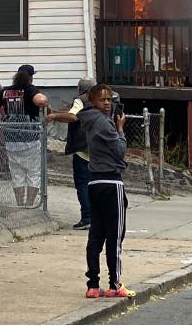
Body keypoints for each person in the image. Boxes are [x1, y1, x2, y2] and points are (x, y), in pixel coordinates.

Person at [79, 84, 130, 299]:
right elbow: (120, 151)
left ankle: (92, 285)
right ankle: (115, 284)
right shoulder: (105, 124)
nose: (107, 103)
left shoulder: (89, 121)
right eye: (102, 100)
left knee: (95, 235)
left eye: (109, 99)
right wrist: (120, 129)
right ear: (93, 101)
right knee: (115, 236)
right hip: (112, 181)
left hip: (94, 182)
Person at [0, 64, 50, 207]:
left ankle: (20, 204)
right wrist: (45, 101)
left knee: (17, 172)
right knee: (33, 172)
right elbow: (41, 101)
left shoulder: (6, 91)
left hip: (11, 138)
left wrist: (1, 123)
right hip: (30, 137)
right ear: (31, 77)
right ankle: (30, 204)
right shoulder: (30, 90)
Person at [46, 76, 96, 230]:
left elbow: (73, 116)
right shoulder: (107, 98)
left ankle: (87, 217)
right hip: (102, 148)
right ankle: (101, 216)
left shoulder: (81, 100)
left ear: (80, 89)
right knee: (99, 184)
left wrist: (53, 116)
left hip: (83, 149)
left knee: (82, 184)